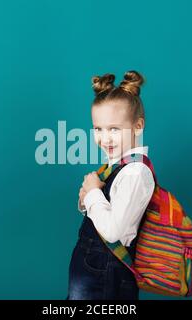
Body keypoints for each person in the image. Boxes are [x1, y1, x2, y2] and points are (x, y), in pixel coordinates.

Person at [66, 70, 155, 300]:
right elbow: (106, 214)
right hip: (92, 269)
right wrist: (87, 198)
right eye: (98, 129)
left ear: (137, 126)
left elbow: (115, 232)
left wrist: (94, 192)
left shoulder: (135, 172)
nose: (104, 139)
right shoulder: (117, 166)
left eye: (114, 129)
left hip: (106, 273)